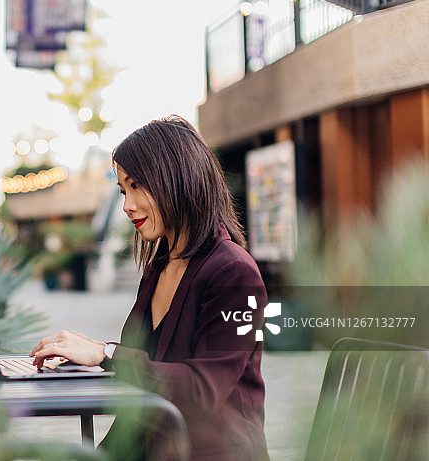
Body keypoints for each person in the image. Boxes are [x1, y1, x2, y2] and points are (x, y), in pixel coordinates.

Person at [30, 116, 269, 460]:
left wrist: (106, 354)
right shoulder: (161, 264)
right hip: (153, 446)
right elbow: (144, 364)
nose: (127, 205)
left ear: (177, 177)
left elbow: (202, 390)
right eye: (123, 191)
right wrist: (80, 362)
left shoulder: (234, 272)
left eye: (137, 186)